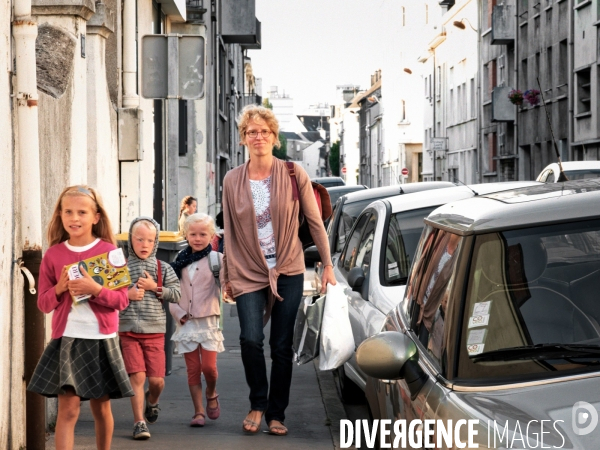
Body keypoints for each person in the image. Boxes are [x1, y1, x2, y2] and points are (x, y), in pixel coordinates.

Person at [221, 104, 336, 436]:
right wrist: (227, 275)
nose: (259, 137)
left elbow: (315, 223)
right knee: (250, 339)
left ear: (274, 138)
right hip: (247, 270)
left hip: (288, 268)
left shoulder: (292, 173)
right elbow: (229, 230)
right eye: (252, 132)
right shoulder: (232, 180)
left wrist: (327, 265)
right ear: (244, 138)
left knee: (281, 345)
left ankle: (276, 412)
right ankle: (258, 402)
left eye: (265, 132)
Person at [27, 185, 133, 450]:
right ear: (60, 215)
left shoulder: (110, 252)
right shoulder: (53, 254)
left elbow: (121, 300)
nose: (75, 218)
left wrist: (95, 290)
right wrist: (60, 289)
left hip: (102, 340)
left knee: (101, 407)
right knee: (69, 410)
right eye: (68, 212)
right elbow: (43, 303)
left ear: (95, 217)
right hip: (68, 340)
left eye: (82, 212)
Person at [118, 217, 181, 440]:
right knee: (137, 376)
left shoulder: (162, 267)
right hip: (128, 331)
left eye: (150, 240)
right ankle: (139, 423)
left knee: (157, 381)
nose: (144, 244)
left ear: (155, 243)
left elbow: (177, 293)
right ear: (130, 240)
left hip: (155, 330)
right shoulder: (121, 267)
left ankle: (152, 401)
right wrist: (128, 294)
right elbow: (109, 295)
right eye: (139, 239)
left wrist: (156, 288)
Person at [169, 213, 224, 427]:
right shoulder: (179, 262)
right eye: (193, 234)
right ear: (186, 235)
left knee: (209, 368)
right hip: (186, 322)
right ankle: (198, 411)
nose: (198, 238)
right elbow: (171, 292)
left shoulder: (217, 260)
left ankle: (211, 392)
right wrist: (177, 312)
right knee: (193, 369)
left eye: (203, 234)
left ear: (211, 236)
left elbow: (229, 281)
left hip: (208, 322)